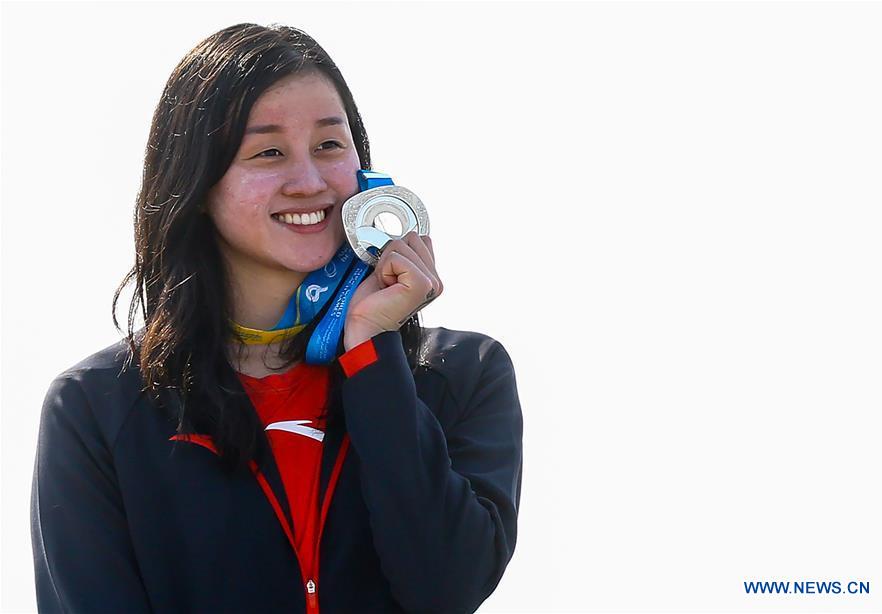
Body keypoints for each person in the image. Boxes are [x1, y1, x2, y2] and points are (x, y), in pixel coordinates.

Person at [30, 22, 523, 614]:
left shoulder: (461, 373)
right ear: (195, 182)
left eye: (329, 146)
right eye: (268, 152)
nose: (310, 182)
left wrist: (371, 349)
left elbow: (445, 589)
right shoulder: (97, 406)